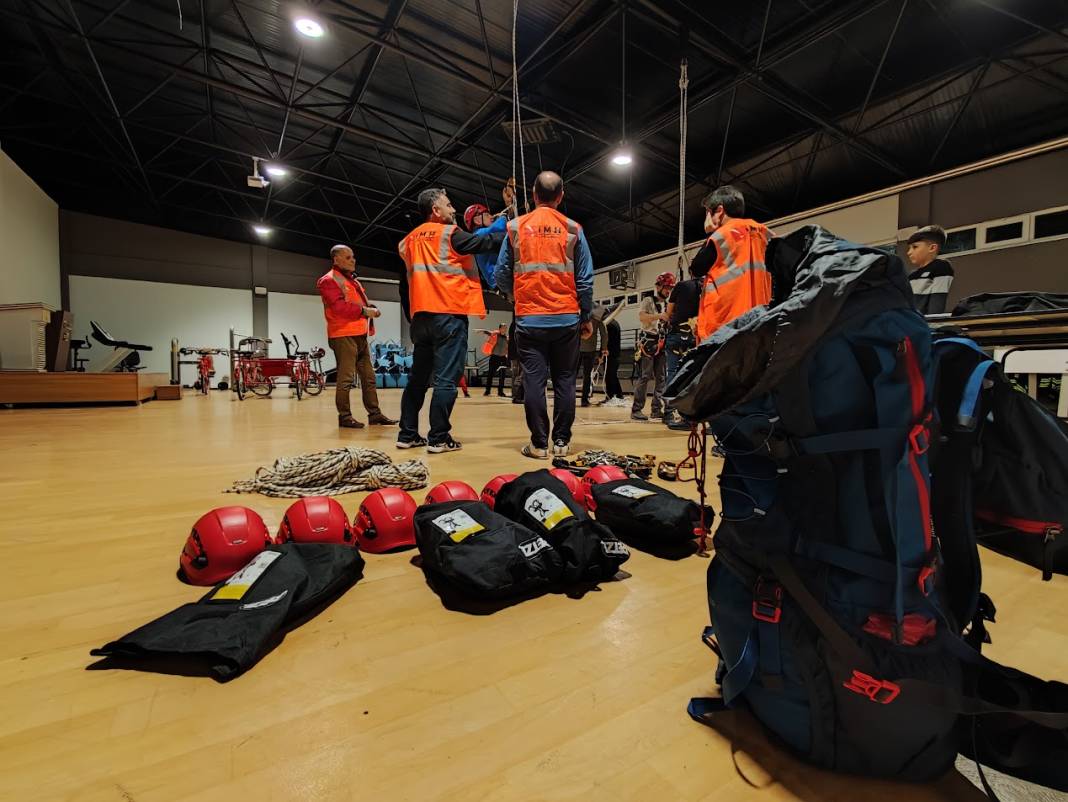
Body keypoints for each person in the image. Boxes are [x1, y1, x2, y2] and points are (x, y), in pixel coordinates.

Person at [396, 187, 505, 452]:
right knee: (446, 379)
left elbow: (403, 285)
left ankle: (407, 434)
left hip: (420, 319)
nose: (453, 209)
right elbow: (486, 243)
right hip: (448, 316)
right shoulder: (449, 234)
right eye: (448, 204)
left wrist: (412, 316)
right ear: (435, 210)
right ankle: (439, 437)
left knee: (417, 380)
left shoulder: (407, 242)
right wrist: (513, 230)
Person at [496, 171, 593, 459]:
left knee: (533, 381)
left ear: (534, 195)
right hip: (566, 319)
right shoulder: (573, 228)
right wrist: (585, 315)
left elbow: (500, 275)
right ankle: (562, 442)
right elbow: (585, 280)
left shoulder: (515, 227)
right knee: (565, 380)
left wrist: (515, 295)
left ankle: (539, 444)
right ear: (561, 196)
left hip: (529, 319)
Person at [316, 244, 396, 429]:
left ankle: (374, 414)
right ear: (336, 259)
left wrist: (370, 308)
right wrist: (365, 311)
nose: (353, 260)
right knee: (345, 379)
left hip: (360, 334)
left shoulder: (352, 280)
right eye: (348, 257)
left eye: (353, 257)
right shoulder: (328, 280)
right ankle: (344, 417)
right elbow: (338, 307)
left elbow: (356, 302)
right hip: (343, 335)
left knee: (369, 378)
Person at [691, 185, 772, 342]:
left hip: (726, 325)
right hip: (761, 321)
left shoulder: (722, 235)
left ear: (719, 211)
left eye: (708, 212)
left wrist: (710, 233)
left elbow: (696, 269)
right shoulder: (765, 233)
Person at [631, 273, 674, 421]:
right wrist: (658, 316)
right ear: (659, 287)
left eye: (670, 288)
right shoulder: (648, 300)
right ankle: (636, 410)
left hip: (662, 341)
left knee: (661, 378)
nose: (668, 291)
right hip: (648, 341)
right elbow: (642, 317)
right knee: (645, 376)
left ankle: (656, 409)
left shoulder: (669, 304)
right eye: (666, 287)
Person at [662, 268, 701, 429]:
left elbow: (668, 313)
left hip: (678, 334)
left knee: (673, 373)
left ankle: (669, 413)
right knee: (695, 375)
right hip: (697, 334)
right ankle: (695, 417)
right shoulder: (709, 286)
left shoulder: (681, 286)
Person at [906, 225, 954, 315]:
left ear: (932, 248)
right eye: (909, 248)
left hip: (924, 323)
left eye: (915, 247)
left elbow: (937, 302)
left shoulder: (941, 267)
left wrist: (932, 322)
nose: (909, 252)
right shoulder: (911, 275)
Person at [464, 203, 508, 289]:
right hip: (499, 280)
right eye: (487, 215)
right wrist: (502, 218)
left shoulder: (482, 235)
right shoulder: (478, 234)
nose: (491, 217)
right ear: (477, 220)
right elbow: (500, 227)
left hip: (497, 281)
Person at [578, 309, 607, 407]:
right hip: (590, 349)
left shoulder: (577, 315)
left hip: (576, 348)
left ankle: (567, 399)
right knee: (587, 376)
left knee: (571, 374)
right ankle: (584, 400)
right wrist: (603, 349)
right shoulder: (597, 316)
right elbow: (604, 334)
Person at [597, 315, 624, 406]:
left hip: (610, 354)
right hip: (616, 353)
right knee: (613, 375)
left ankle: (610, 396)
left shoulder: (607, 324)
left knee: (609, 376)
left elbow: (605, 340)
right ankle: (619, 395)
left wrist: (601, 355)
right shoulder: (615, 323)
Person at [478, 323, 509, 397]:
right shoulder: (495, 335)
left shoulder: (507, 338)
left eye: (506, 328)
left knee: (502, 376)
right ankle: (487, 391)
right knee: (490, 374)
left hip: (503, 358)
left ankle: (500, 392)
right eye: (503, 327)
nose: (505, 329)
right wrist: (482, 330)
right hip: (494, 357)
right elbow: (489, 332)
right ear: (500, 328)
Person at [508, 318, 524, 404]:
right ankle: (518, 396)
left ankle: (515, 395)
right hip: (518, 354)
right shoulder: (519, 324)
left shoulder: (512, 325)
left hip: (513, 354)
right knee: (520, 375)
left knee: (515, 375)